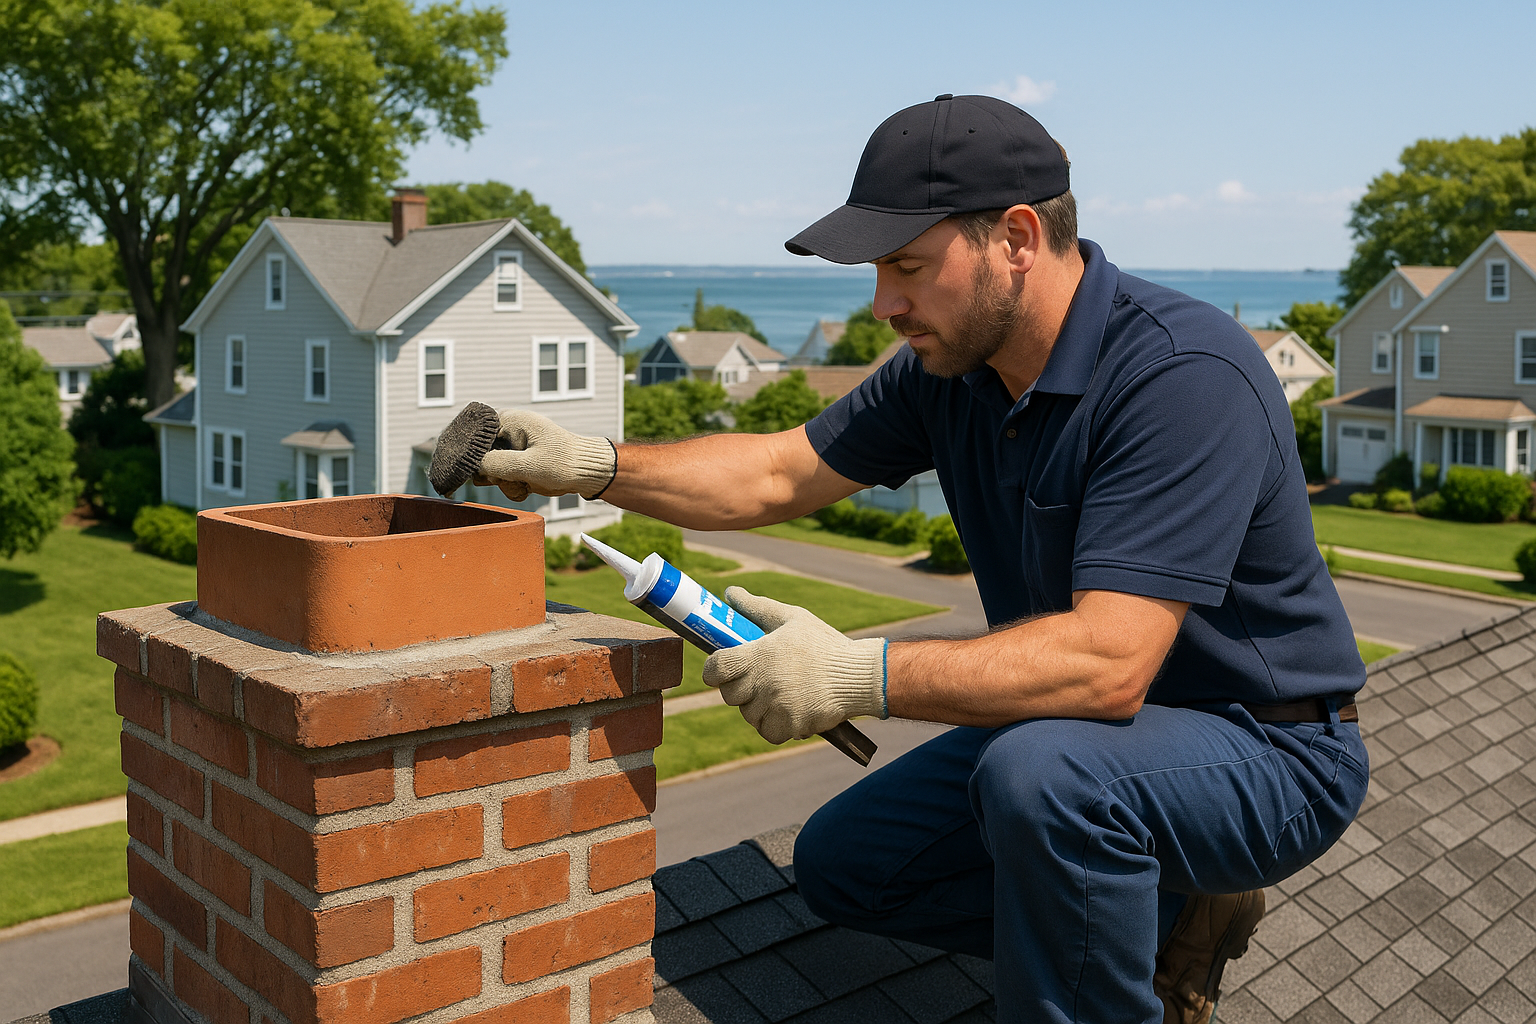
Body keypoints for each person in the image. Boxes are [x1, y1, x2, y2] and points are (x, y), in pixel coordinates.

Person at [472, 94, 1368, 1024]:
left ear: (1017, 238)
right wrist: (592, 466)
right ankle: (1170, 903)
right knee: (848, 867)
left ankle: (1138, 931)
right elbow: (778, 475)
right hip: (1080, 735)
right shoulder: (952, 373)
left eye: (907, 266)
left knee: (1042, 780)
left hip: (1265, 748)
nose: (883, 304)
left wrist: (857, 672)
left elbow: (1109, 664)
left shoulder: (1182, 375)